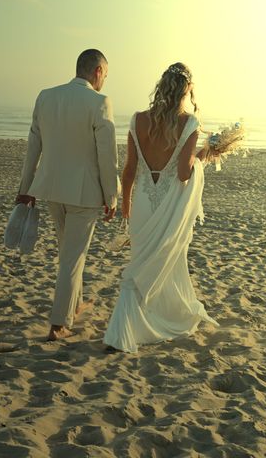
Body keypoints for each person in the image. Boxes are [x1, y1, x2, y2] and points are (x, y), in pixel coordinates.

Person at [103, 62, 217, 353]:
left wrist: (127, 204)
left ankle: (143, 321)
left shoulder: (137, 120)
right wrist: (205, 154)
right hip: (168, 204)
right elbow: (183, 173)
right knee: (163, 260)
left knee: (140, 261)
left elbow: (129, 169)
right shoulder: (189, 123)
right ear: (188, 88)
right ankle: (124, 330)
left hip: (142, 200)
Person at [17, 49, 120, 341]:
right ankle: (59, 324)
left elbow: (33, 146)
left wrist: (25, 189)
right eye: (106, 76)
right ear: (98, 72)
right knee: (72, 258)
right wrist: (111, 197)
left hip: (50, 189)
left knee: (69, 254)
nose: (104, 83)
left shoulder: (46, 96)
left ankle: (74, 305)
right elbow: (107, 155)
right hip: (84, 194)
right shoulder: (99, 102)